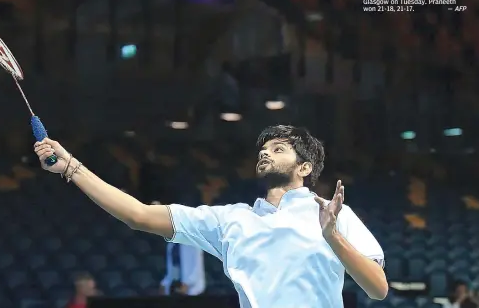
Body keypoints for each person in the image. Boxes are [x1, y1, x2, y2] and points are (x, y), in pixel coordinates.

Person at [34, 125, 388, 308]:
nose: (265, 154)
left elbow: (377, 288)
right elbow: (138, 215)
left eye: (278, 149)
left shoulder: (333, 213)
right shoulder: (230, 221)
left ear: (305, 167)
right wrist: (71, 168)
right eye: (263, 150)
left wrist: (333, 237)